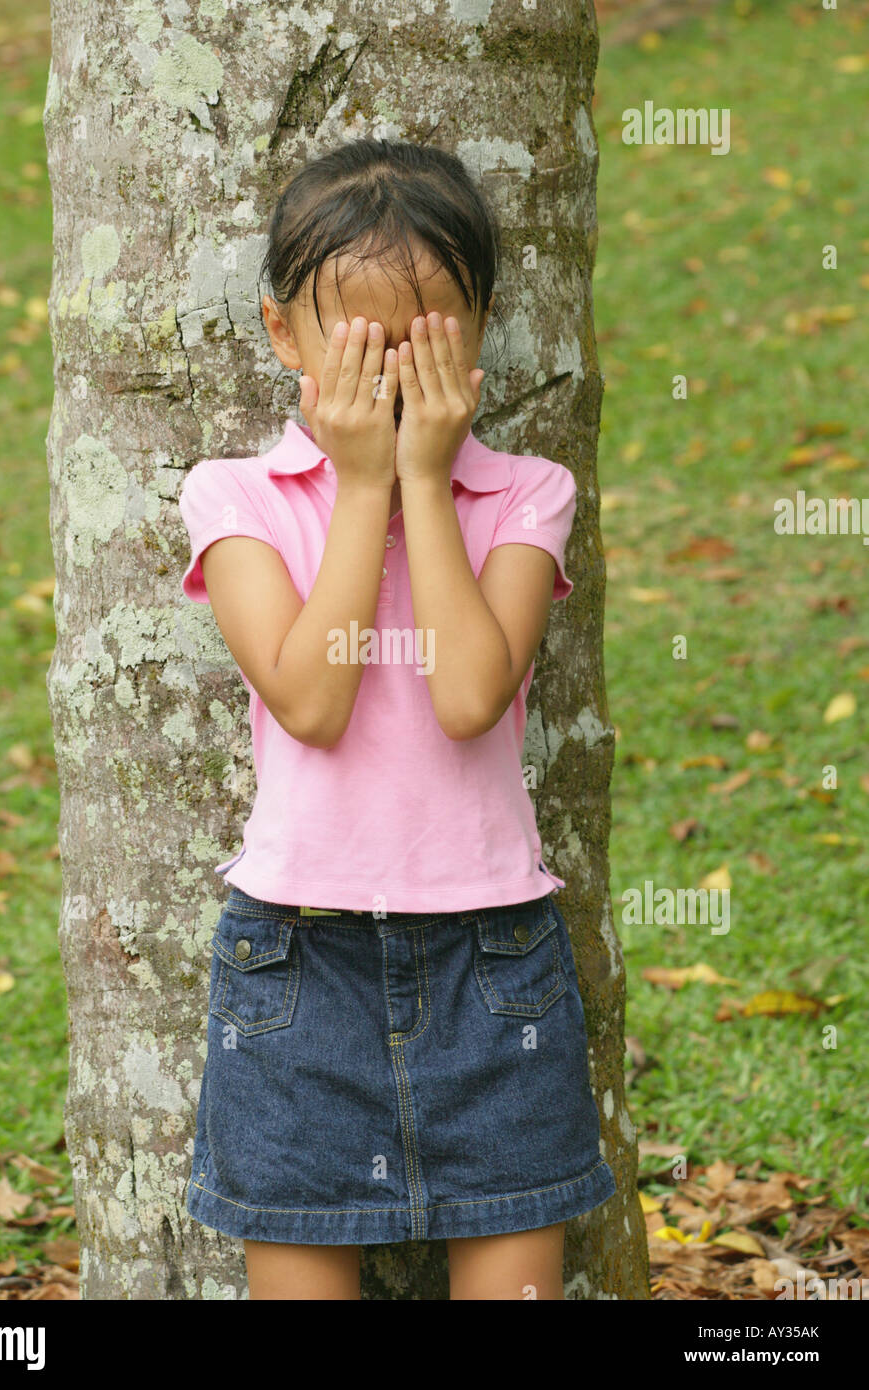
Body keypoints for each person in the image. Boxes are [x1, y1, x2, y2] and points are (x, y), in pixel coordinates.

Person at [177, 137, 616, 1300]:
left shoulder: (526, 493)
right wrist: (363, 483)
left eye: (422, 346)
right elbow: (312, 700)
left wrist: (425, 477)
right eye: (358, 349)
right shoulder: (235, 497)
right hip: (296, 967)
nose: (390, 380)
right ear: (284, 339)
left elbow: (471, 696)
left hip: (495, 970)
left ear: (475, 332)